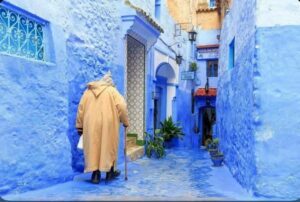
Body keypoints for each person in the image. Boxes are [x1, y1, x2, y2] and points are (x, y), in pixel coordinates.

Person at [76, 72, 129, 184]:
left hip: (90, 123)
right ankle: (110, 172)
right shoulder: (113, 91)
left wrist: (79, 126)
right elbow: (122, 107)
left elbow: (81, 109)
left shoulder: (88, 92)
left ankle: (95, 175)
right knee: (108, 146)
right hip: (108, 124)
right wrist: (125, 121)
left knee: (93, 147)